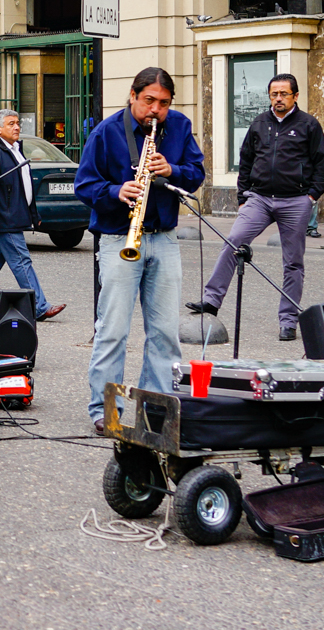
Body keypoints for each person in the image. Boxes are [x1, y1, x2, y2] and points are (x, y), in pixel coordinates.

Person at [76, 67, 205, 434]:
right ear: (132, 95)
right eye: (149, 101)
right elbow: (84, 185)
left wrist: (174, 169)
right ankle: (106, 410)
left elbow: (197, 173)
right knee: (113, 330)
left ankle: (156, 408)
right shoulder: (106, 132)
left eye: (163, 103)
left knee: (165, 332)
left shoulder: (178, 127)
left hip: (164, 238)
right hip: (120, 238)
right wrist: (116, 191)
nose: (155, 111)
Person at [185, 73, 324, 342]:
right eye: (274, 94)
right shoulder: (260, 122)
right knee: (233, 241)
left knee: (293, 263)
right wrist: (243, 197)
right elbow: (246, 159)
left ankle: (288, 321)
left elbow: (323, 165)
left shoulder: (309, 125)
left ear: (295, 96)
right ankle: (211, 301)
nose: (278, 99)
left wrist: (311, 197)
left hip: (295, 201)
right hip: (260, 199)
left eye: (284, 94)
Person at [0, 109, 66, 322]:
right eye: (11, 124)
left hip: (14, 216)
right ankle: (39, 306)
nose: (17, 127)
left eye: (17, 123)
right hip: (4, 219)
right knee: (22, 261)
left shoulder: (15, 149)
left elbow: (24, 184)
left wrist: (32, 213)